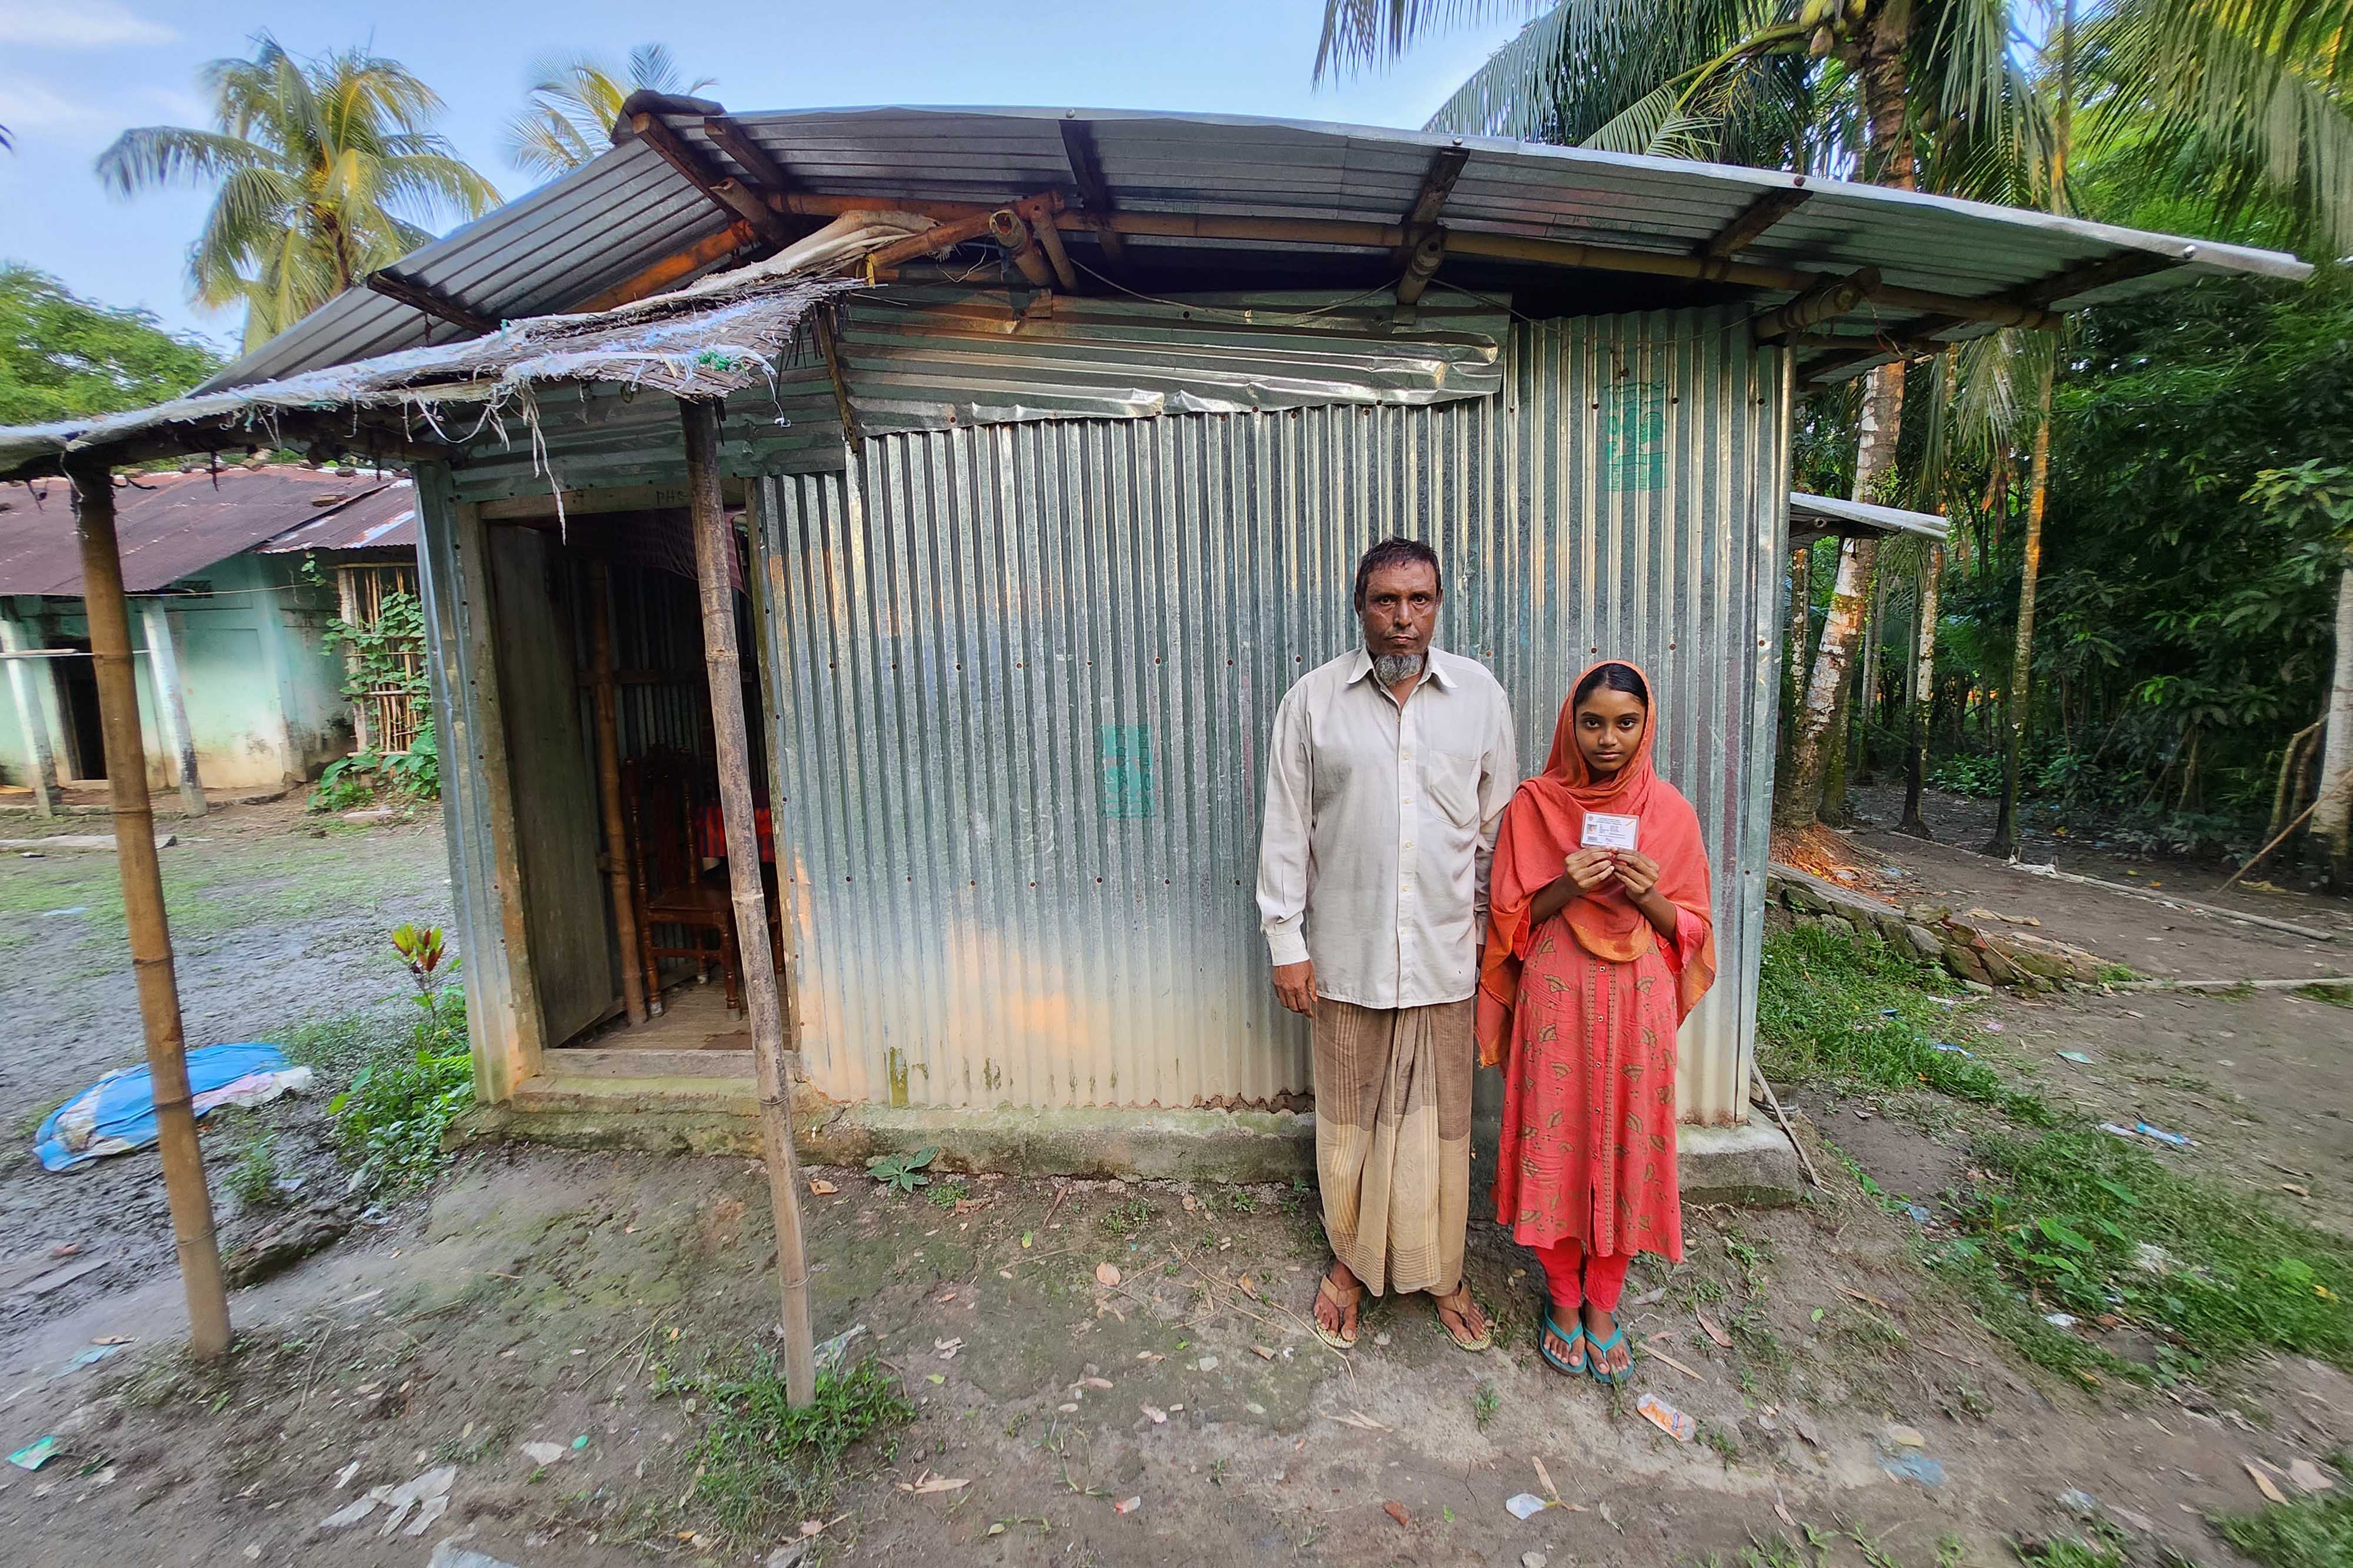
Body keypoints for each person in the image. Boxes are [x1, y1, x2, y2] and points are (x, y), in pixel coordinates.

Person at [1256, 538, 1518, 1353]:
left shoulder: (1478, 697)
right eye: (1385, 601)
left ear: (1440, 603)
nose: (1403, 619)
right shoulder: (1312, 702)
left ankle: (1442, 1269)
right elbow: (1286, 830)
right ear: (1359, 604)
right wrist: (1285, 939)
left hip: (1445, 960)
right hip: (1346, 957)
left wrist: (1490, 946)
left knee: (1440, 1129)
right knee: (1348, 1125)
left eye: (1420, 600)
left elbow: (1496, 838)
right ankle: (1350, 1266)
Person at [1477, 661, 1716, 1383]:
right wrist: (1562, 885)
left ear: (1646, 727)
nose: (1607, 739)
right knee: (1557, 1135)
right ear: (1569, 724)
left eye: (1625, 722)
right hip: (1557, 992)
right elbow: (1508, 920)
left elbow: (1694, 927)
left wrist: (1650, 900)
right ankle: (1561, 1297)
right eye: (1592, 722)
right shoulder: (1534, 805)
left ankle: (1605, 1302)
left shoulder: (1669, 810)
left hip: (1637, 1000)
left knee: (1626, 1139)